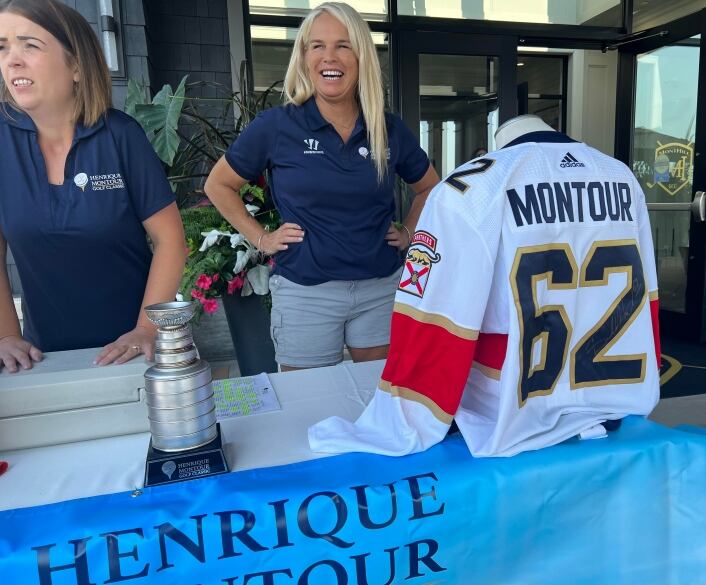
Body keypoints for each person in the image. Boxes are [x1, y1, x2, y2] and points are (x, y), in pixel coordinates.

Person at [309, 114, 662, 457]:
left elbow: (434, 312)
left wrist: (409, 413)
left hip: (510, 409)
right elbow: (647, 298)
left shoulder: (472, 186)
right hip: (609, 404)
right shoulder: (620, 175)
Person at [205, 2, 439, 371]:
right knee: (307, 407)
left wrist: (409, 231)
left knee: (378, 402)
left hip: (380, 288)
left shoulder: (387, 128)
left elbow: (430, 188)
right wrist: (262, 239)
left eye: (343, 45)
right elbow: (218, 185)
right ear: (304, 57)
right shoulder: (277, 126)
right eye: (317, 46)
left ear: (361, 56)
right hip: (306, 292)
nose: (330, 57)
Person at [0, 0, 187, 373]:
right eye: (3, 46)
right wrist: (7, 335)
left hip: (133, 353)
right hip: (42, 360)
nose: (12, 60)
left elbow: (171, 241)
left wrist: (146, 329)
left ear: (76, 66)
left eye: (30, 45)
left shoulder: (120, 136)